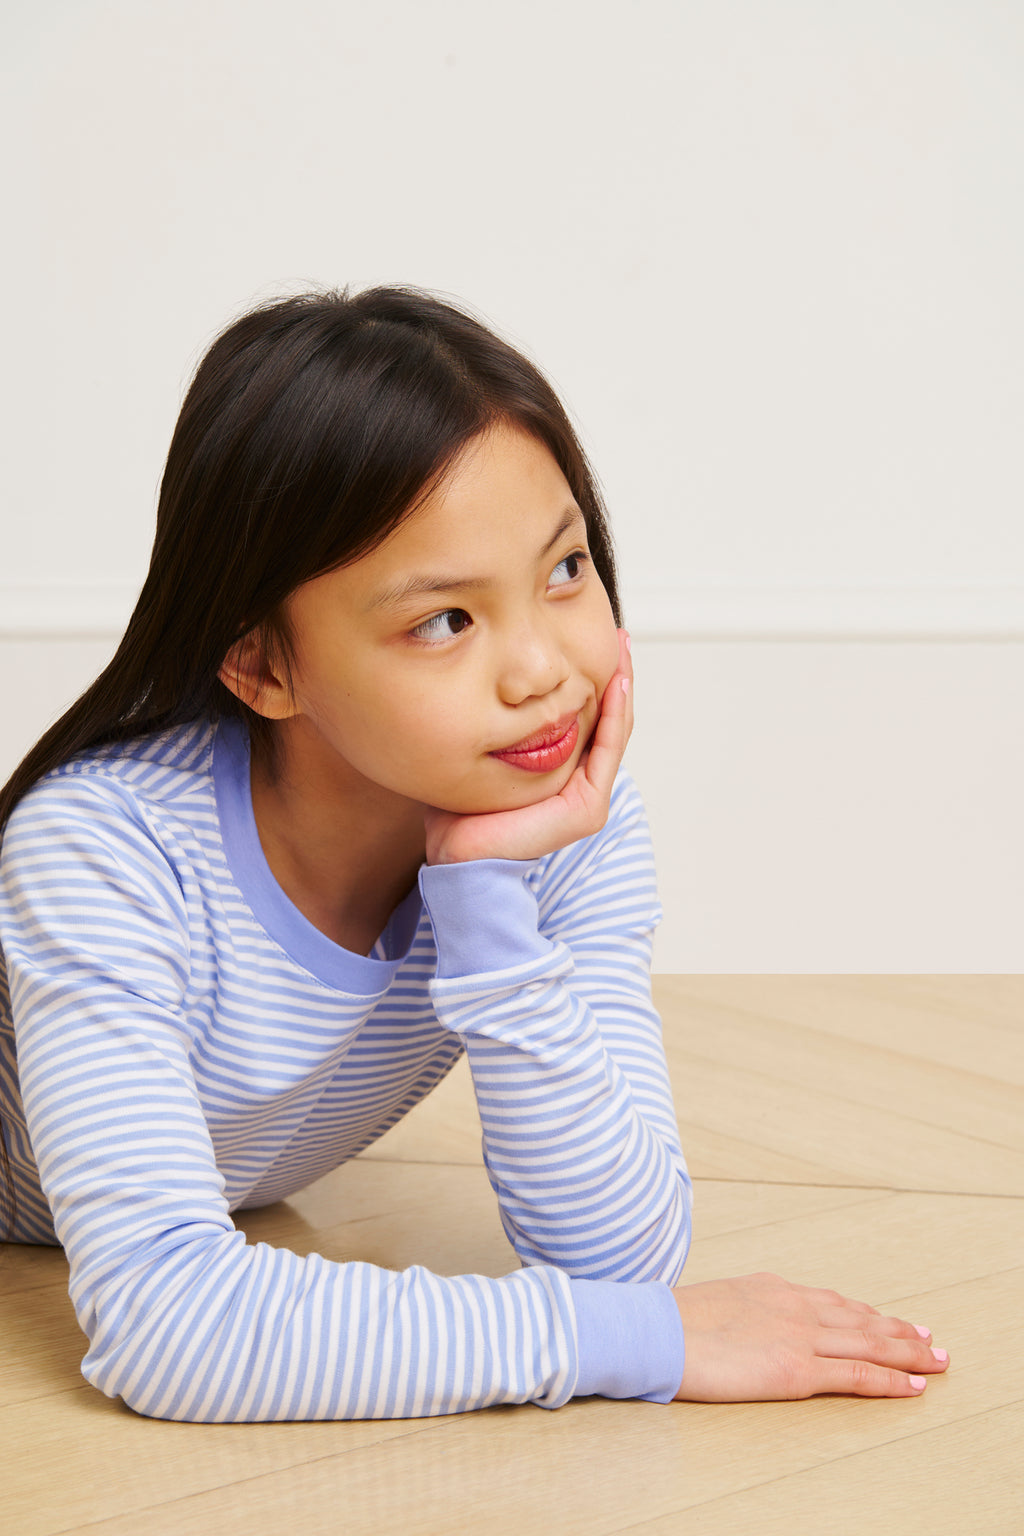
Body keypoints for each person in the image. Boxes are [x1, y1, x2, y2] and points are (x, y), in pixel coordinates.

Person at [0, 287, 948, 1422]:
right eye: (444, 621)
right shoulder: (106, 850)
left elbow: (614, 1253)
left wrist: (485, 896)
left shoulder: (554, 832)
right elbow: (175, 1330)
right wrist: (636, 1342)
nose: (541, 668)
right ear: (260, 666)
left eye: (564, 570)